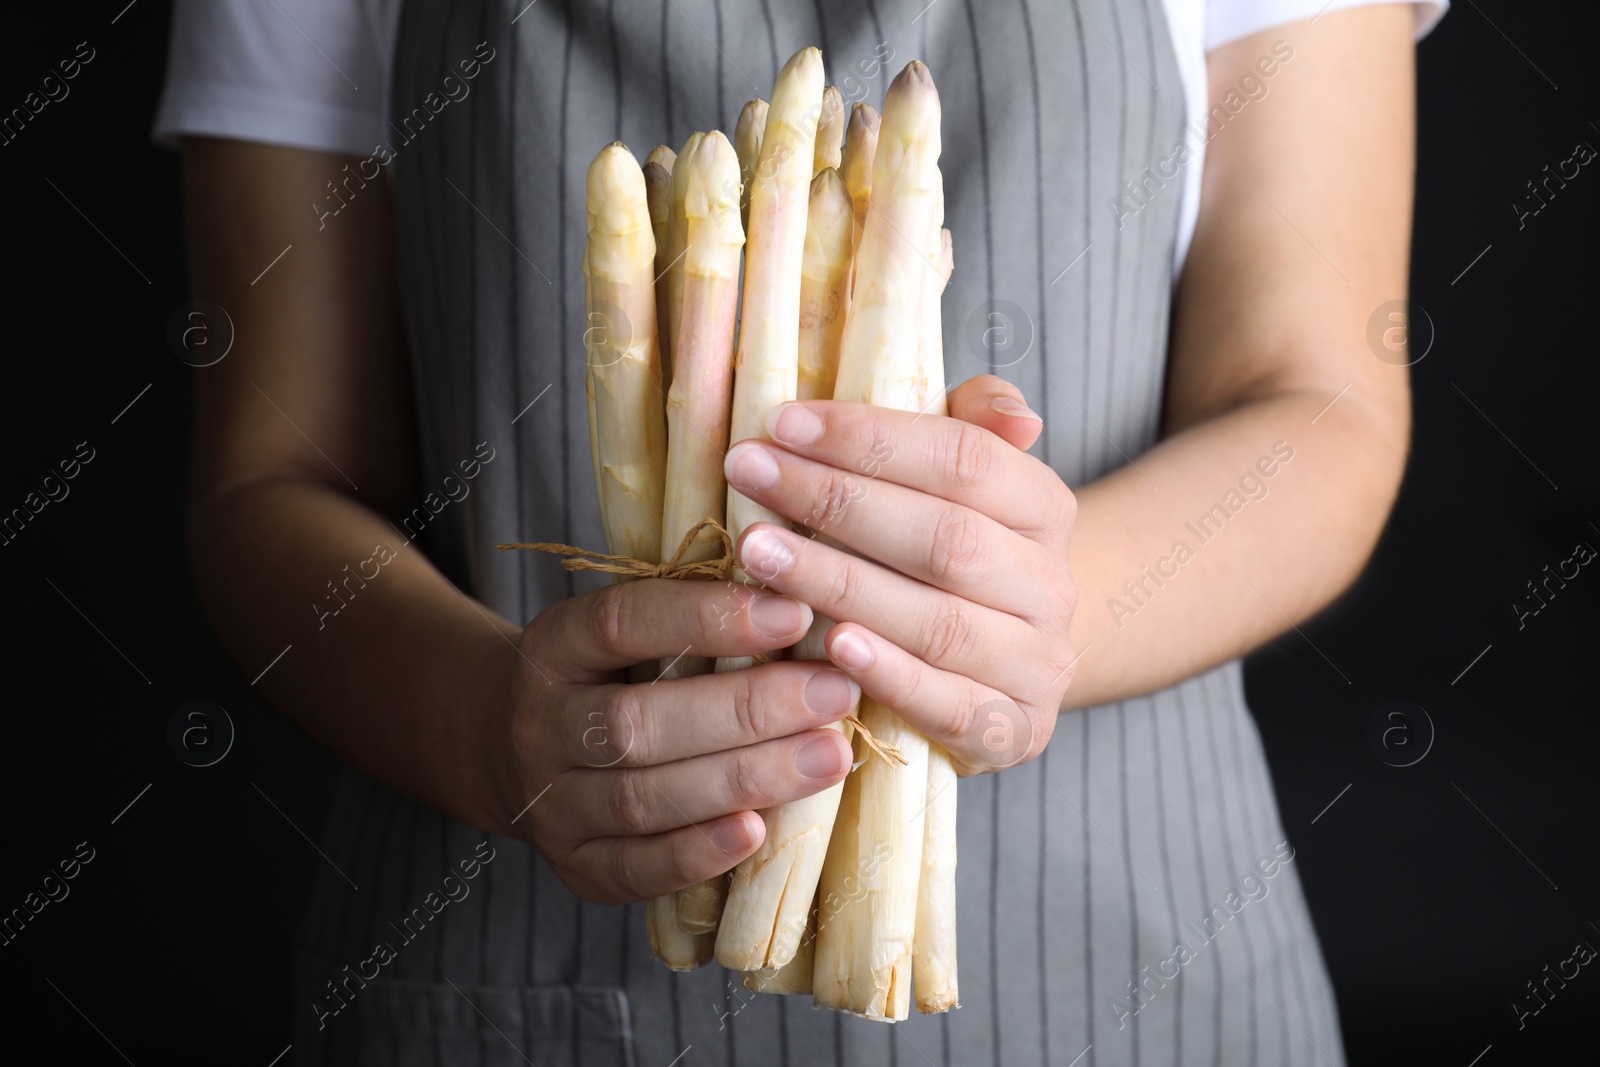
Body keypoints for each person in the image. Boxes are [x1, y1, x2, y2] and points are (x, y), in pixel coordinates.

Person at [156, 0, 1447, 1063]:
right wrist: (489, 730)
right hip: (514, 968)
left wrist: (1040, 608)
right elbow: (271, 483)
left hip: (1140, 950)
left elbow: (1316, 398)